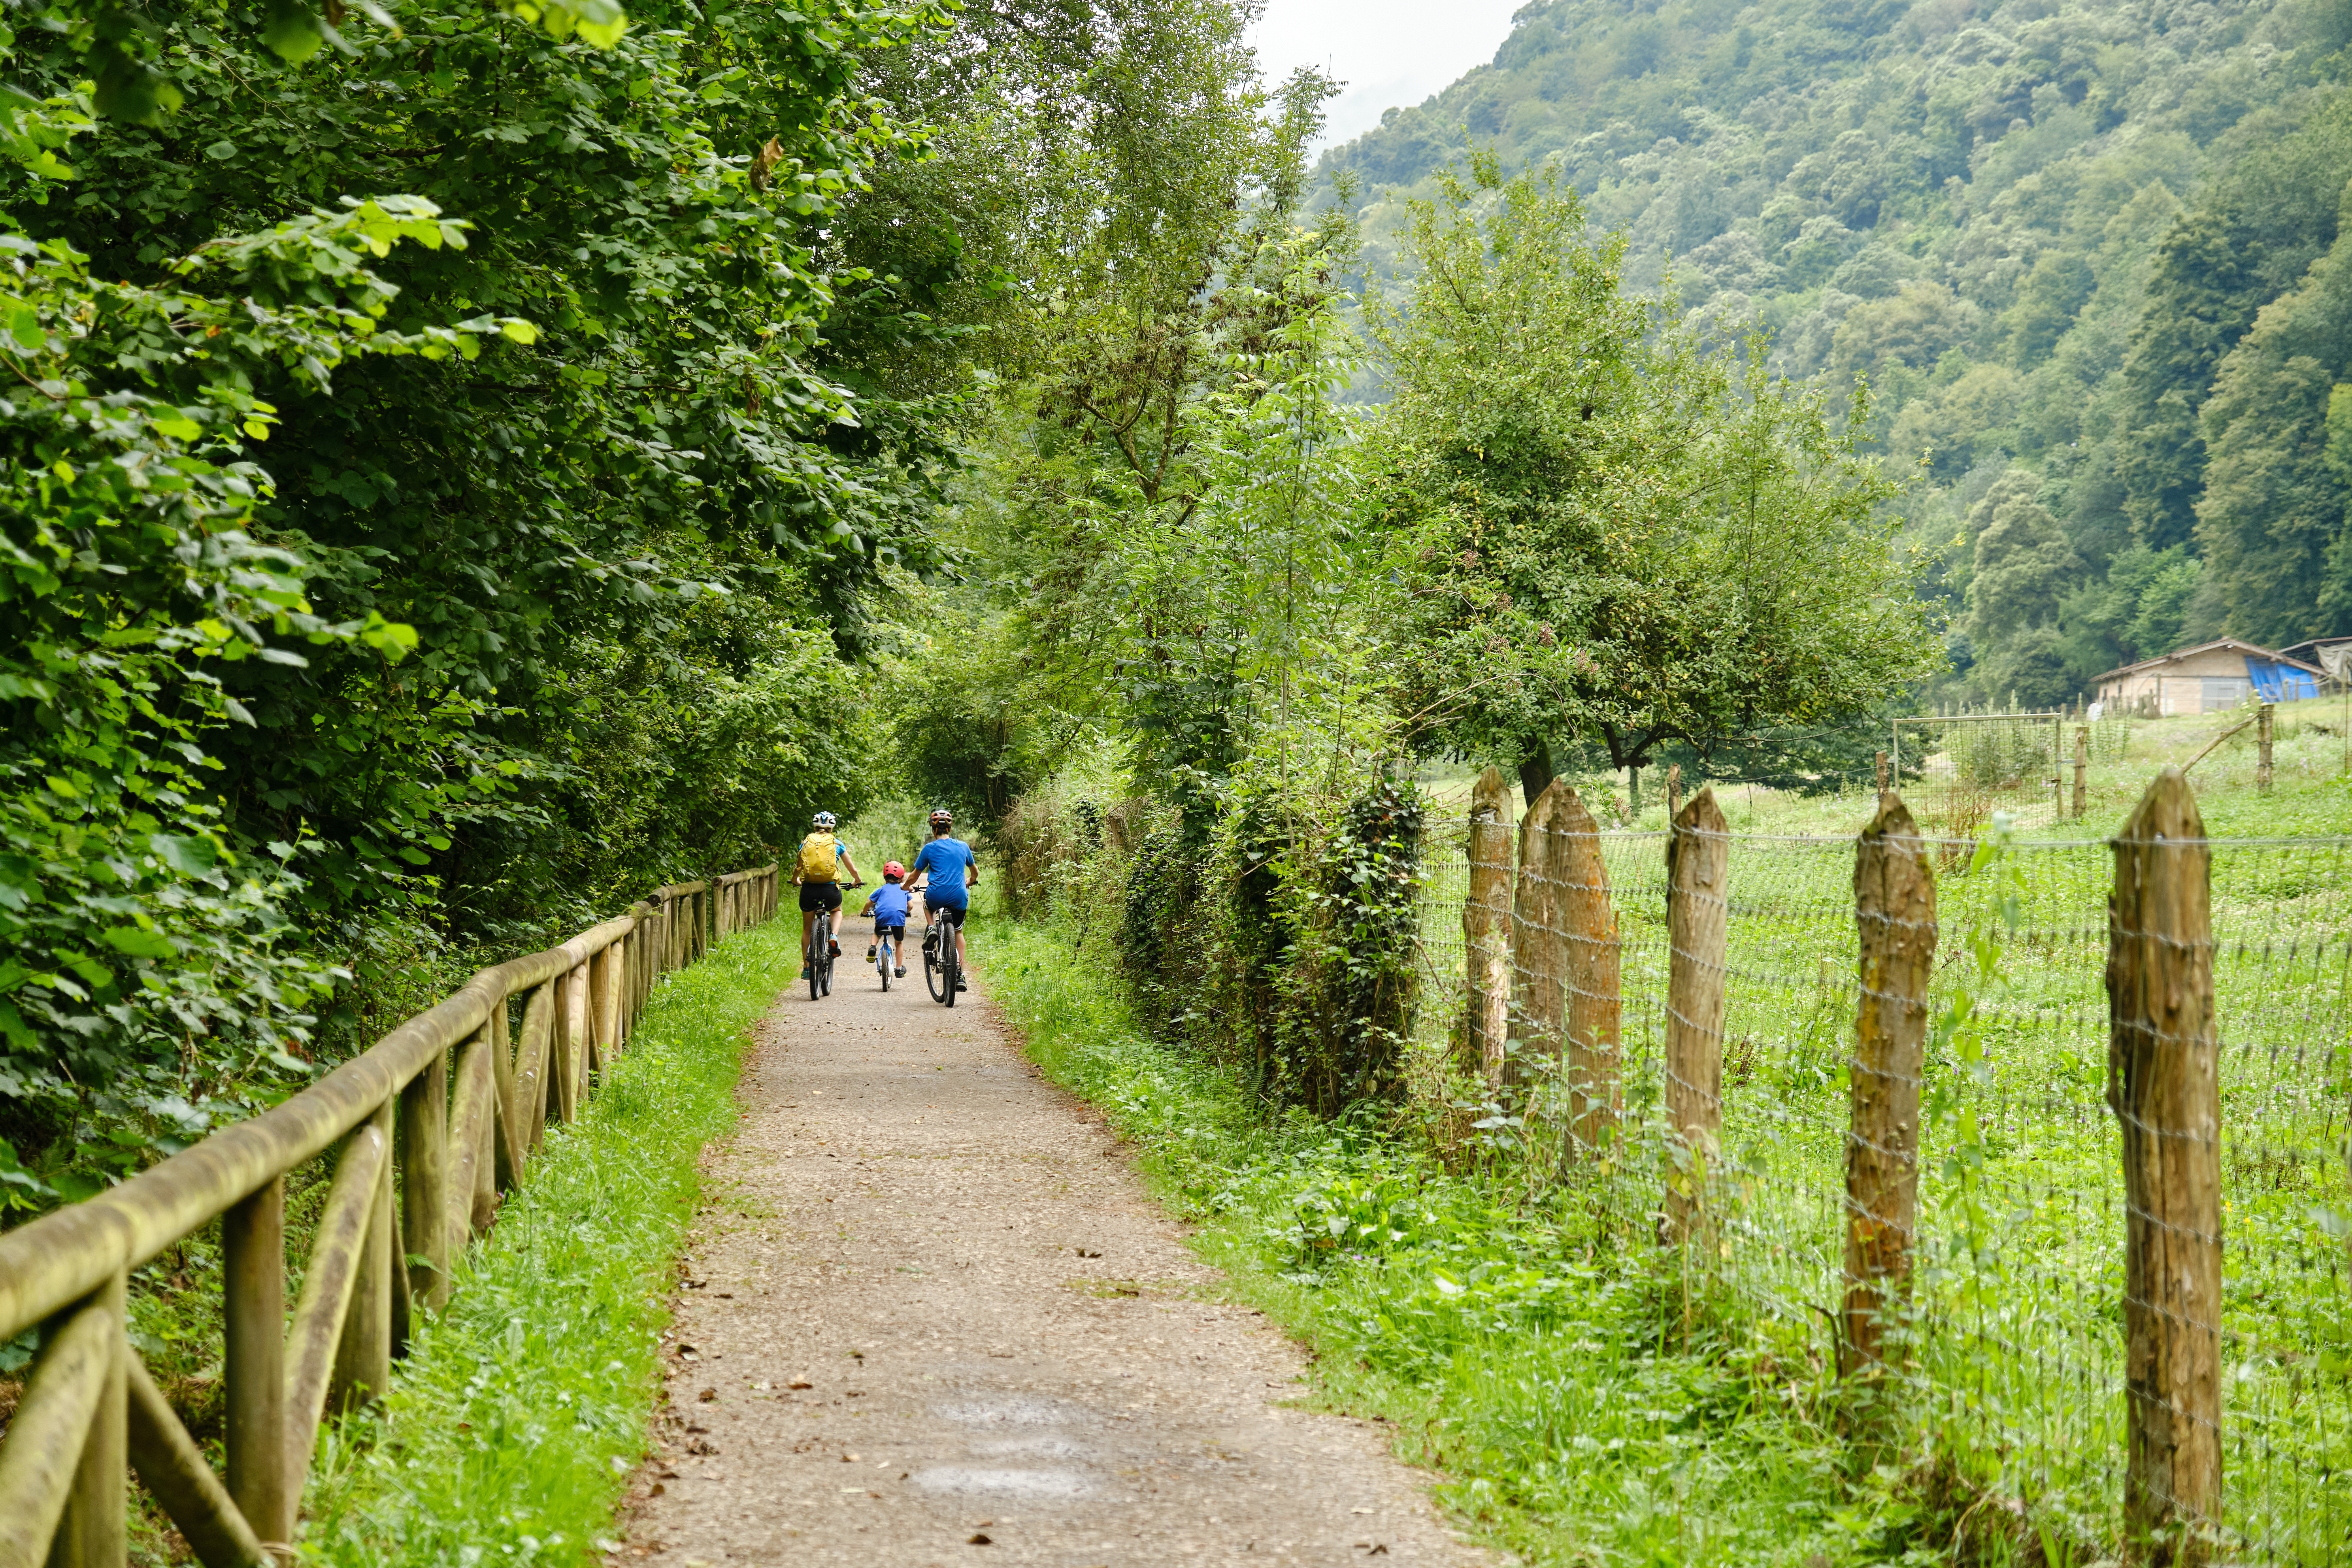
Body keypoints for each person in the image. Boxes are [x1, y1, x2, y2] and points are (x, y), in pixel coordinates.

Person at [904, 807, 977, 987]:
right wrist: (969, 882)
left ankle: (932, 928)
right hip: (959, 896)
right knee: (959, 932)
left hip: (936, 895)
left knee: (927, 905)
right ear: (950, 829)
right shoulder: (963, 847)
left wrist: (905, 887)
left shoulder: (929, 849)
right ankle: (959, 974)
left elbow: (914, 876)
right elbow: (975, 873)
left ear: (933, 829)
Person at [792, 811, 862, 979]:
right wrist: (857, 881)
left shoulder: (806, 843)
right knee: (837, 911)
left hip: (809, 890)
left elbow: (798, 868)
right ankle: (834, 936)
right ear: (832, 828)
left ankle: (807, 968)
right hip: (830, 890)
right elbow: (852, 868)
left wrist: (795, 880)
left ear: (815, 827)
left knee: (807, 930)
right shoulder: (837, 844)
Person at [861, 862, 911, 979]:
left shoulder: (881, 889)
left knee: (877, 933)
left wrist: (864, 913)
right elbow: (911, 905)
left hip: (882, 917)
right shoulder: (904, 889)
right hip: (898, 918)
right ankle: (899, 969)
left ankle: (873, 947)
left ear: (885, 876)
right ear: (902, 877)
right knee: (899, 943)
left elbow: (869, 902)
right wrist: (906, 912)